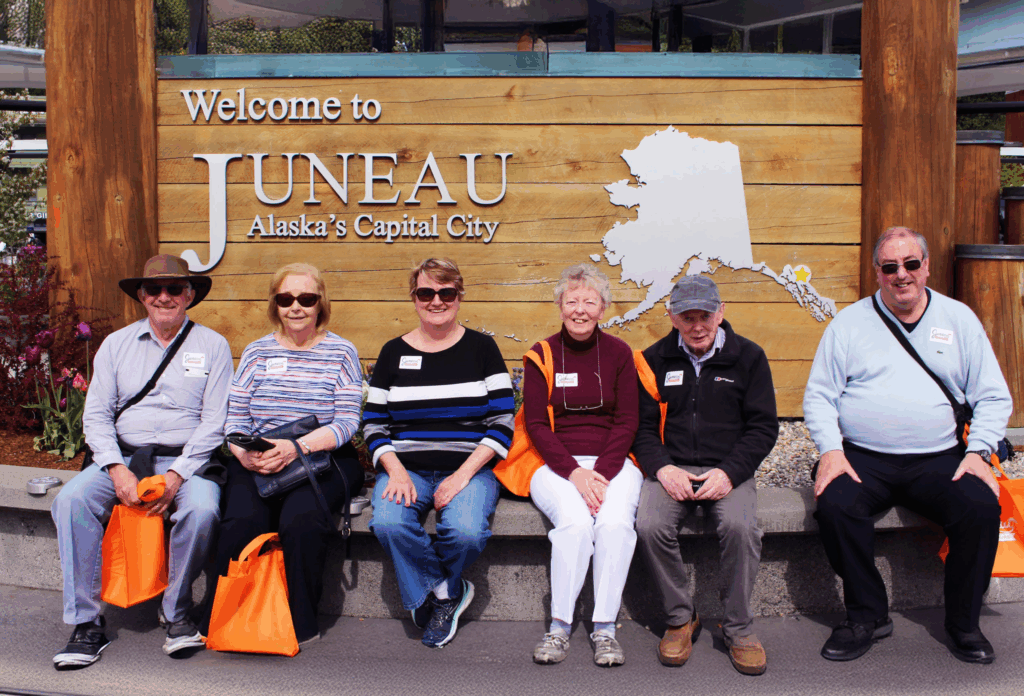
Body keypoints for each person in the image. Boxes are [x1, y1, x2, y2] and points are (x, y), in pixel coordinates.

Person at [804, 226, 1012, 664]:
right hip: (863, 456)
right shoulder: (848, 323)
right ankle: (867, 615)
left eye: (911, 264)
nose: (902, 275)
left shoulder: (959, 320)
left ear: (927, 267)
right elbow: (820, 395)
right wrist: (830, 450)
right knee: (835, 505)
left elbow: (993, 395)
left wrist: (978, 453)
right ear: (876, 271)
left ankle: (963, 623)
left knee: (979, 507)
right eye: (891, 266)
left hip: (940, 458)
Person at [51, 254, 232, 669]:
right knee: (70, 501)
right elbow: (95, 415)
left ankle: (177, 612)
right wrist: (116, 469)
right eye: (155, 289)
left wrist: (175, 475)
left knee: (203, 510)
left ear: (189, 295)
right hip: (125, 457)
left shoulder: (213, 345)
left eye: (174, 289)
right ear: (141, 295)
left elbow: (215, 421)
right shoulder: (116, 345)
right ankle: (86, 623)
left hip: (189, 460)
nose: (164, 297)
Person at [205, 263, 364, 646]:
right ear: (275, 304)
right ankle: (221, 613)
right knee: (240, 523)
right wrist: (244, 455)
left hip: (322, 457)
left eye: (306, 299)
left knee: (301, 521)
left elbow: (347, 421)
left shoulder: (341, 352)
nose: (296, 307)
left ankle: (298, 621)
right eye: (286, 298)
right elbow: (235, 418)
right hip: (259, 457)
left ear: (320, 304)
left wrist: (296, 448)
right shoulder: (257, 352)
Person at [365, 258, 515, 649]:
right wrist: (394, 471)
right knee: (388, 523)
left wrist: (462, 475)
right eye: (426, 293)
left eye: (445, 293)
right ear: (413, 298)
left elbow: (502, 421)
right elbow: (374, 423)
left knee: (465, 532)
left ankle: (429, 592)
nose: (436, 301)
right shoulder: (393, 352)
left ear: (459, 297)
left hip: (469, 469)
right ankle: (446, 592)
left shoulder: (483, 348)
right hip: (406, 469)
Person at [632, 276, 778, 676]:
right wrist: (662, 468)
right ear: (672, 316)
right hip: (671, 467)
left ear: (721, 311)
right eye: (687, 316)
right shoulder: (652, 359)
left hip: (727, 468)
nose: (698, 325)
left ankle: (738, 627)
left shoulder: (749, 357)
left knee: (740, 526)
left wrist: (730, 472)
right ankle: (681, 618)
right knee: (648, 524)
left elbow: (764, 427)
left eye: (705, 315)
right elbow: (641, 428)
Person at [524, 264, 642, 667]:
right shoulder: (540, 355)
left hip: (613, 462)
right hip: (555, 464)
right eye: (571, 301)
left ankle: (605, 628)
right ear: (559, 306)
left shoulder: (619, 353)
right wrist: (575, 473)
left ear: (603, 309)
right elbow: (537, 424)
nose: (580, 310)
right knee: (574, 523)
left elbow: (628, 421)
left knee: (614, 524)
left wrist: (601, 476)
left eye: (589, 301)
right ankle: (559, 627)